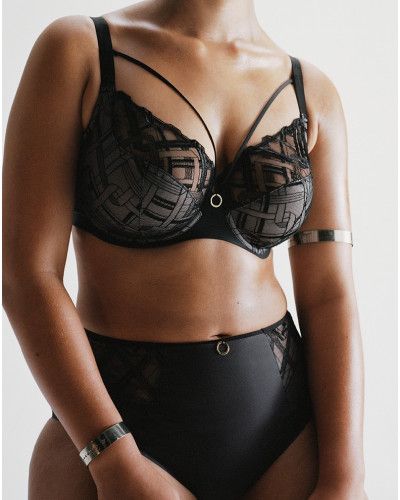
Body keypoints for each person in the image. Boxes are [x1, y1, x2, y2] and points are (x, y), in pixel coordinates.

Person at [3, 1, 367, 499]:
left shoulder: (312, 92)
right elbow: (28, 276)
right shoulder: (80, 51)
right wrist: (112, 457)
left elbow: (329, 295)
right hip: (114, 427)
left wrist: (345, 476)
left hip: (286, 440)